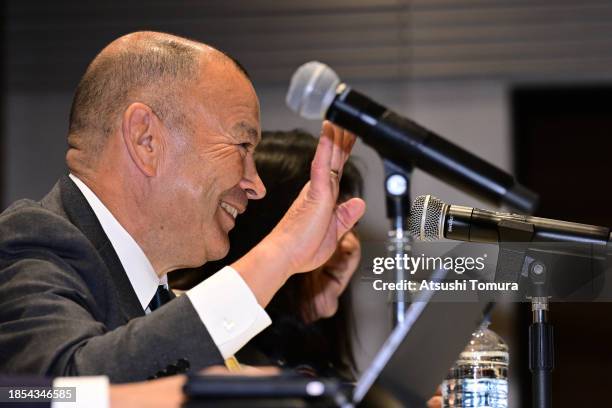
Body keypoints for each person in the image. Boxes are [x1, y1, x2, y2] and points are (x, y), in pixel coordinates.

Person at [0, 31, 365, 385]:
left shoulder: (164, 302)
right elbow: (59, 392)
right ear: (146, 140)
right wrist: (282, 252)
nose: (256, 185)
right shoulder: (29, 242)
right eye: (242, 145)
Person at [171, 129, 363, 380]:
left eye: (352, 226)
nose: (349, 245)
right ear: (265, 228)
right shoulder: (187, 338)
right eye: (327, 223)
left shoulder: (313, 361)